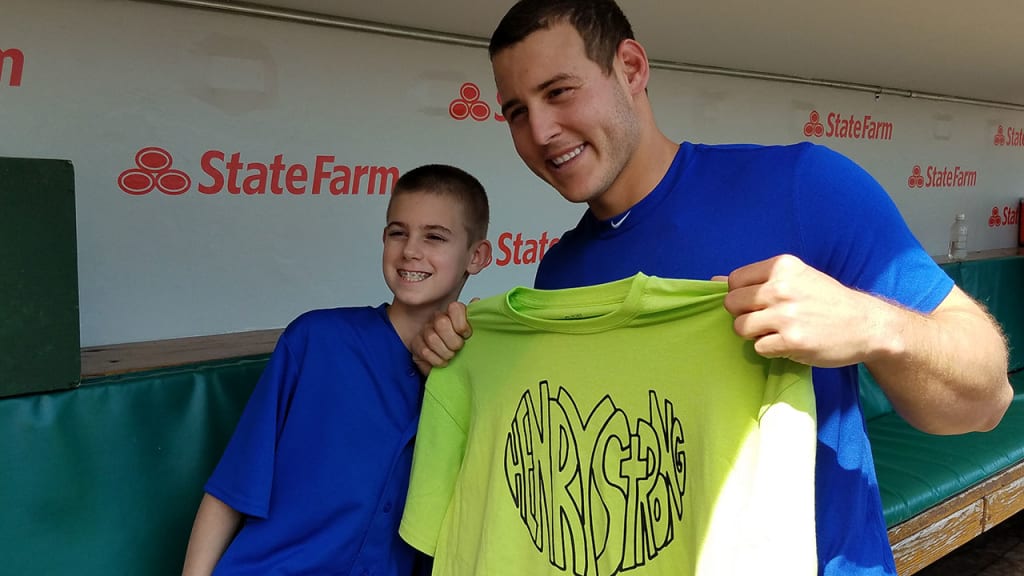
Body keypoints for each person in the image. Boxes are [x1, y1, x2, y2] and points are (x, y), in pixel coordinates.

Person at [410, 1, 1013, 574]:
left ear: (631, 68)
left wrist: (870, 325)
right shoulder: (559, 274)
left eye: (559, 91)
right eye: (516, 111)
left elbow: (987, 400)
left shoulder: (804, 188)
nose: (540, 130)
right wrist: (454, 348)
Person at [181, 163, 492, 576]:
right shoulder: (316, 340)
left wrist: (449, 376)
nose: (411, 250)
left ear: (477, 255)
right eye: (398, 232)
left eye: (434, 236)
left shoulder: (477, 370)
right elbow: (231, 491)